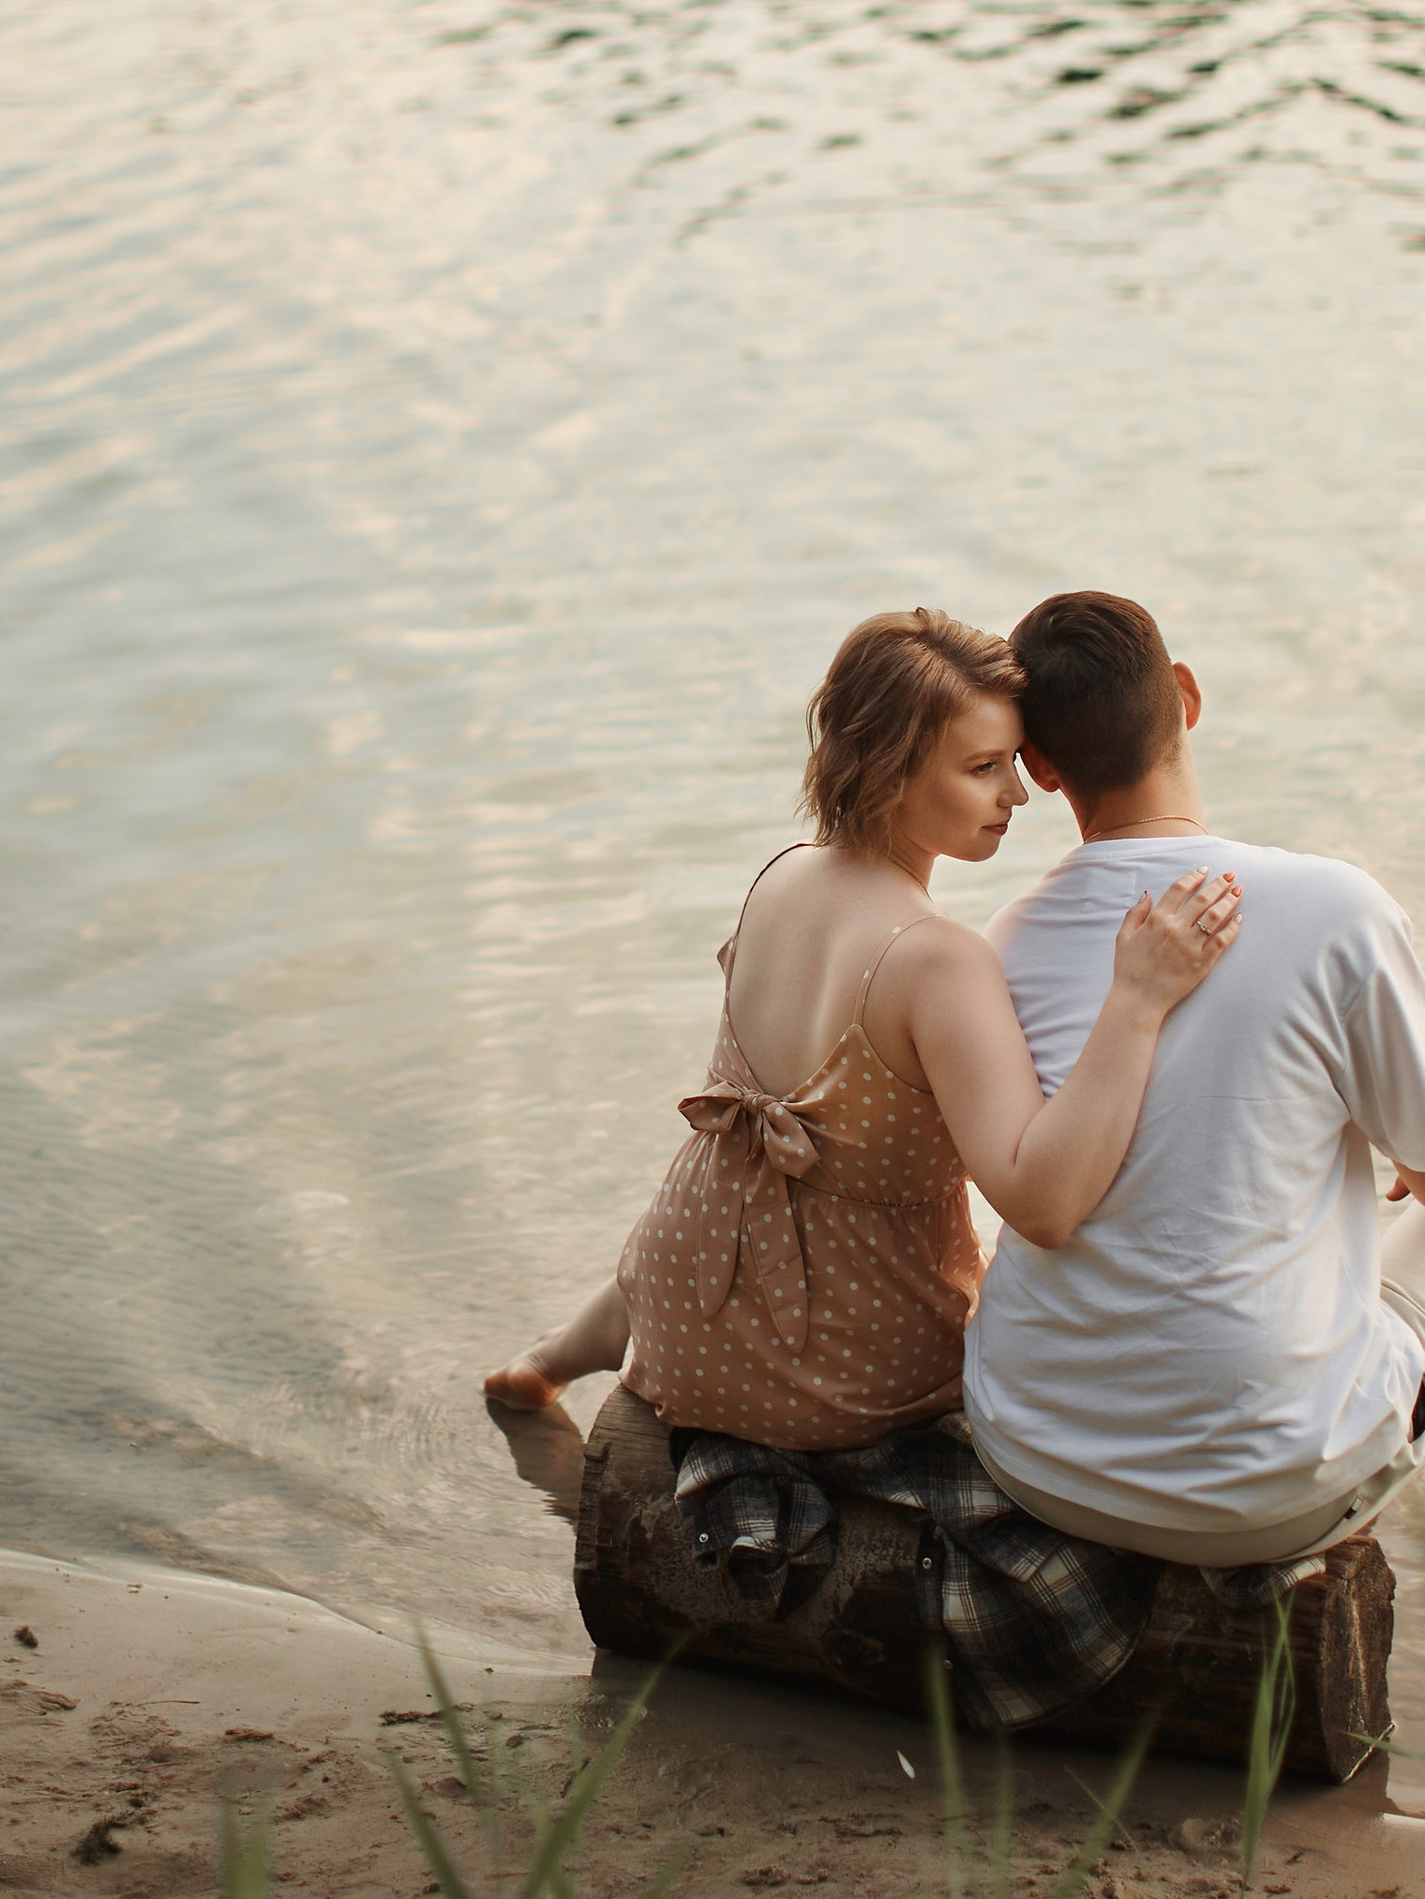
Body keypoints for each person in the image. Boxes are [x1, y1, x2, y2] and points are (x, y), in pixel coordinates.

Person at [486, 606, 1239, 1443]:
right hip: (835, 1375)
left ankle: (555, 1357)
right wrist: (1134, 1002)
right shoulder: (937, 959)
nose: (1017, 794)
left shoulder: (783, 875)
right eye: (984, 768)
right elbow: (1044, 1204)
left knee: (767, 1170)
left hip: (679, 1296)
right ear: (890, 773)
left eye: (1015, 762)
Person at [963, 592, 1425, 1562]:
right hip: (1261, 1498)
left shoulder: (1006, 938)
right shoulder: (1332, 908)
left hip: (1035, 1458)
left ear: (1042, 769)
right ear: (1185, 695)